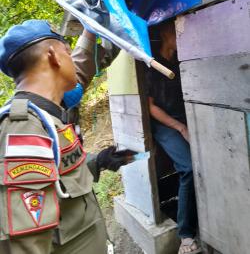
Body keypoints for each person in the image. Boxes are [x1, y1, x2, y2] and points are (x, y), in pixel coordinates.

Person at [0, 19, 134, 254]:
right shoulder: (22, 129)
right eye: (67, 52)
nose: (72, 58)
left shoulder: (48, 110)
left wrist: (97, 161)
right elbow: (26, 245)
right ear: (53, 56)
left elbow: (56, 180)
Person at [146, 21, 200, 254]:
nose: (182, 35)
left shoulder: (182, 62)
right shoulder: (152, 67)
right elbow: (151, 108)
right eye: (177, 32)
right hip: (165, 124)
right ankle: (186, 237)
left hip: (187, 118)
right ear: (166, 34)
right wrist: (180, 127)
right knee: (187, 167)